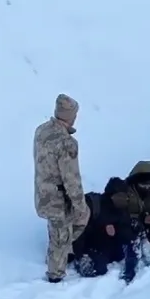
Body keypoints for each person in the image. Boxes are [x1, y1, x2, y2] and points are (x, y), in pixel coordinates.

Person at [33, 93, 90, 283]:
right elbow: (71, 178)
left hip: (42, 192)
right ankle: (55, 274)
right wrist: (80, 204)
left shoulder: (41, 131)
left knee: (56, 230)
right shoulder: (67, 143)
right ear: (70, 115)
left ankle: (58, 254)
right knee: (67, 230)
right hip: (58, 196)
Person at [70, 190, 141, 283]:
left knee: (120, 253)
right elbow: (79, 231)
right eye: (120, 196)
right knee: (97, 268)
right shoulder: (95, 206)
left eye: (125, 196)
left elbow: (125, 228)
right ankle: (81, 260)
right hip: (90, 242)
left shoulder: (122, 209)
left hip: (107, 243)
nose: (124, 199)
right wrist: (79, 254)